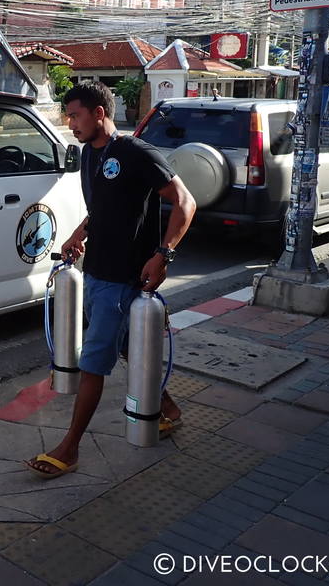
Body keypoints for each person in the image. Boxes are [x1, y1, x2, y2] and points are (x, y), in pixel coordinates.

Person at [27, 81, 197, 478]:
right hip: (96, 273)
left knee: (93, 363)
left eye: (75, 116)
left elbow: (186, 202)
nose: (71, 124)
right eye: (68, 116)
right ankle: (167, 409)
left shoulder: (136, 153)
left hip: (125, 277)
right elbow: (104, 207)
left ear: (99, 113)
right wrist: (79, 232)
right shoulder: (89, 154)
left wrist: (163, 254)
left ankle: (70, 448)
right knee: (128, 347)